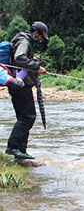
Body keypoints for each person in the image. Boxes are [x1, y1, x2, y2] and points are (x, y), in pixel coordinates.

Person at [5, 22, 49, 160]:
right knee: (28, 116)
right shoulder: (24, 40)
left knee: (23, 117)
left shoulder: (22, 40)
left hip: (17, 84)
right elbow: (19, 58)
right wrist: (36, 67)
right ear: (35, 32)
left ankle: (20, 151)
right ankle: (13, 147)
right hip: (20, 85)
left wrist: (32, 61)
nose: (41, 40)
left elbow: (20, 59)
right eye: (41, 36)